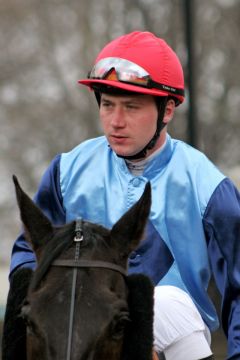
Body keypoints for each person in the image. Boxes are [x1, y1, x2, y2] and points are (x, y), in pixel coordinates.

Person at [8, 31, 240, 360]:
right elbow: (29, 255)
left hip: (174, 335)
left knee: (167, 303)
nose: (115, 122)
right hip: (78, 330)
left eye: (131, 107)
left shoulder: (209, 188)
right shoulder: (67, 170)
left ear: (168, 110)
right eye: (107, 105)